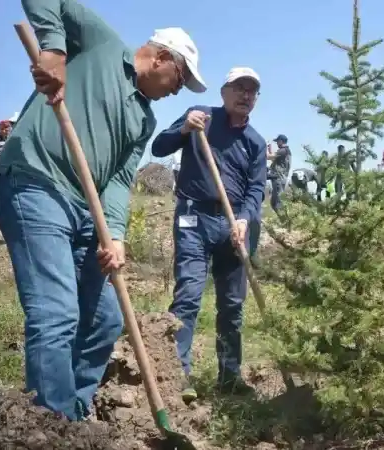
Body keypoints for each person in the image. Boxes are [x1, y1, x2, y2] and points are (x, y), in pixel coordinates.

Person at [0, 0, 207, 421]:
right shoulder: (103, 45)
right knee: (56, 313)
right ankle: (51, 427)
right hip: (34, 182)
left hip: (84, 208)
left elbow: (119, 181)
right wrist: (53, 50)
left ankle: (70, 410)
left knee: (106, 318)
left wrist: (117, 234)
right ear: (161, 56)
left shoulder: (143, 119)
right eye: (179, 79)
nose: (176, 91)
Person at [150, 67, 266, 402]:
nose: (245, 95)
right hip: (194, 217)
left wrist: (244, 220)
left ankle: (229, 377)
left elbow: (256, 188)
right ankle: (177, 375)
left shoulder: (255, 143)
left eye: (252, 91)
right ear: (224, 92)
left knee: (232, 304)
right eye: (239, 88)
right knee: (188, 295)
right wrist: (185, 129)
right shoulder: (200, 118)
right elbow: (159, 147)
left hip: (233, 226)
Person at [266, 134, 291, 213]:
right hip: (279, 178)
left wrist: (264, 148)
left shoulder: (283, 150)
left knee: (278, 203)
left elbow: (269, 157)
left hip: (278, 178)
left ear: (281, 141)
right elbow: (274, 160)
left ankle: (285, 221)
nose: (277, 143)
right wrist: (269, 148)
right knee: (274, 203)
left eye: (277, 141)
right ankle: (283, 220)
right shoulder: (285, 151)